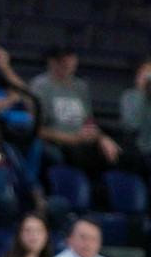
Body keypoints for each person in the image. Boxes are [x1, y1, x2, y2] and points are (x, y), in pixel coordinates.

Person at [29, 45, 118, 173]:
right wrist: (73, 139)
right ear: (52, 62)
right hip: (60, 142)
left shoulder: (80, 86)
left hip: (83, 141)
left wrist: (102, 138)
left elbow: (88, 120)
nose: (69, 66)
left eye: (72, 62)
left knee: (118, 153)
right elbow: (38, 129)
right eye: (64, 63)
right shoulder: (40, 86)